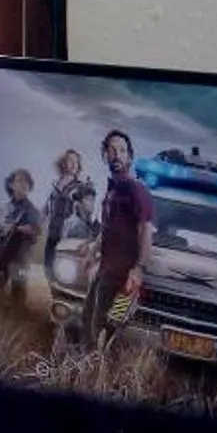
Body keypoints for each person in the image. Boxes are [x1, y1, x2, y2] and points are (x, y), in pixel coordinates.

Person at [83, 129, 155, 346]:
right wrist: (93, 250)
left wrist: (139, 268)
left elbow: (146, 229)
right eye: (111, 150)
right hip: (105, 267)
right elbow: (108, 227)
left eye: (122, 150)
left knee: (103, 326)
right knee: (88, 318)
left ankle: (95, 371)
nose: (116, 155)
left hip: (122, 273)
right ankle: (85, 366)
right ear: (105, 155)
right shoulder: (112, 189)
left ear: (130, 156)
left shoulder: (136, 190)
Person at [0, 168, 42, 299]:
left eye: (27, 182)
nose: (24, 184)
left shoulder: (32, 209)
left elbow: (35, 230)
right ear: (11, 184)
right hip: (2, 252)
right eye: (20, 180)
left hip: (20, 254)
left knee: (18, 291)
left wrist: (17, 228)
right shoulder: (6, 207)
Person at [43, 149, 97, 269]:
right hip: (53, 233)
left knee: (62, 269)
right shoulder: (54, 185)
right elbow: (47, 208)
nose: (73, 164)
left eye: (76, 162)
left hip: (68, 236)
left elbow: (88, 213)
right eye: (70, 161)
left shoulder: (81, 186)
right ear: (63, 163)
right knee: (47, 266)